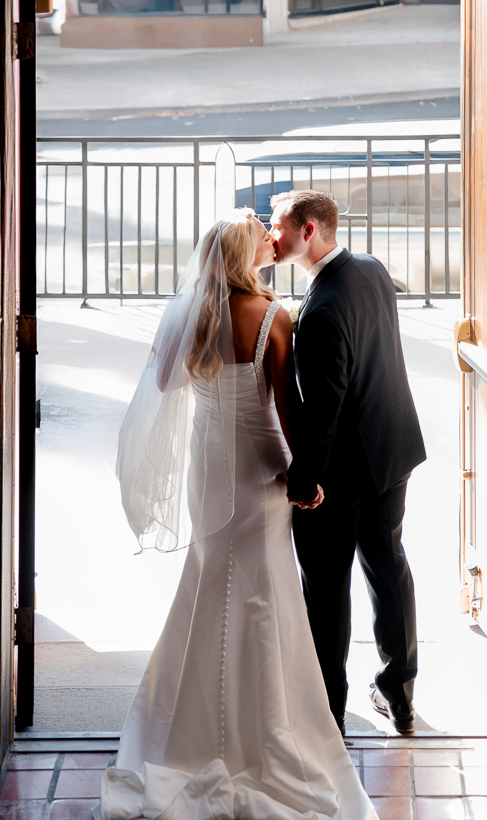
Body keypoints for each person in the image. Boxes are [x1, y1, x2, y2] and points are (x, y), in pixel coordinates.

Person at [98, 208, 376, 820]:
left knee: (206, 582)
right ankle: (265, 727)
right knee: (264, 592)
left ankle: (189, 730)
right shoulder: (273, 317)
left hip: (207, 468)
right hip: (259, 471)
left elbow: (164, 381)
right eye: (259, 238)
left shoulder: (191, 314)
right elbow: (289, 407)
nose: (267, 242)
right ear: (244, 258)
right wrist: (305, 480)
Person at [269, 190, 426, 736]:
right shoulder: (372, 269)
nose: (273, 234)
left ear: (308, 231)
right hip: (393, 450)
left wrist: (304, 478)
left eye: (279, 225)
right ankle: (399, 696)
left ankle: (327, 714)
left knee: (327, 589)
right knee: (389, 569)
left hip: (341, 476)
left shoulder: (319, 311)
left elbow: (325, 409)